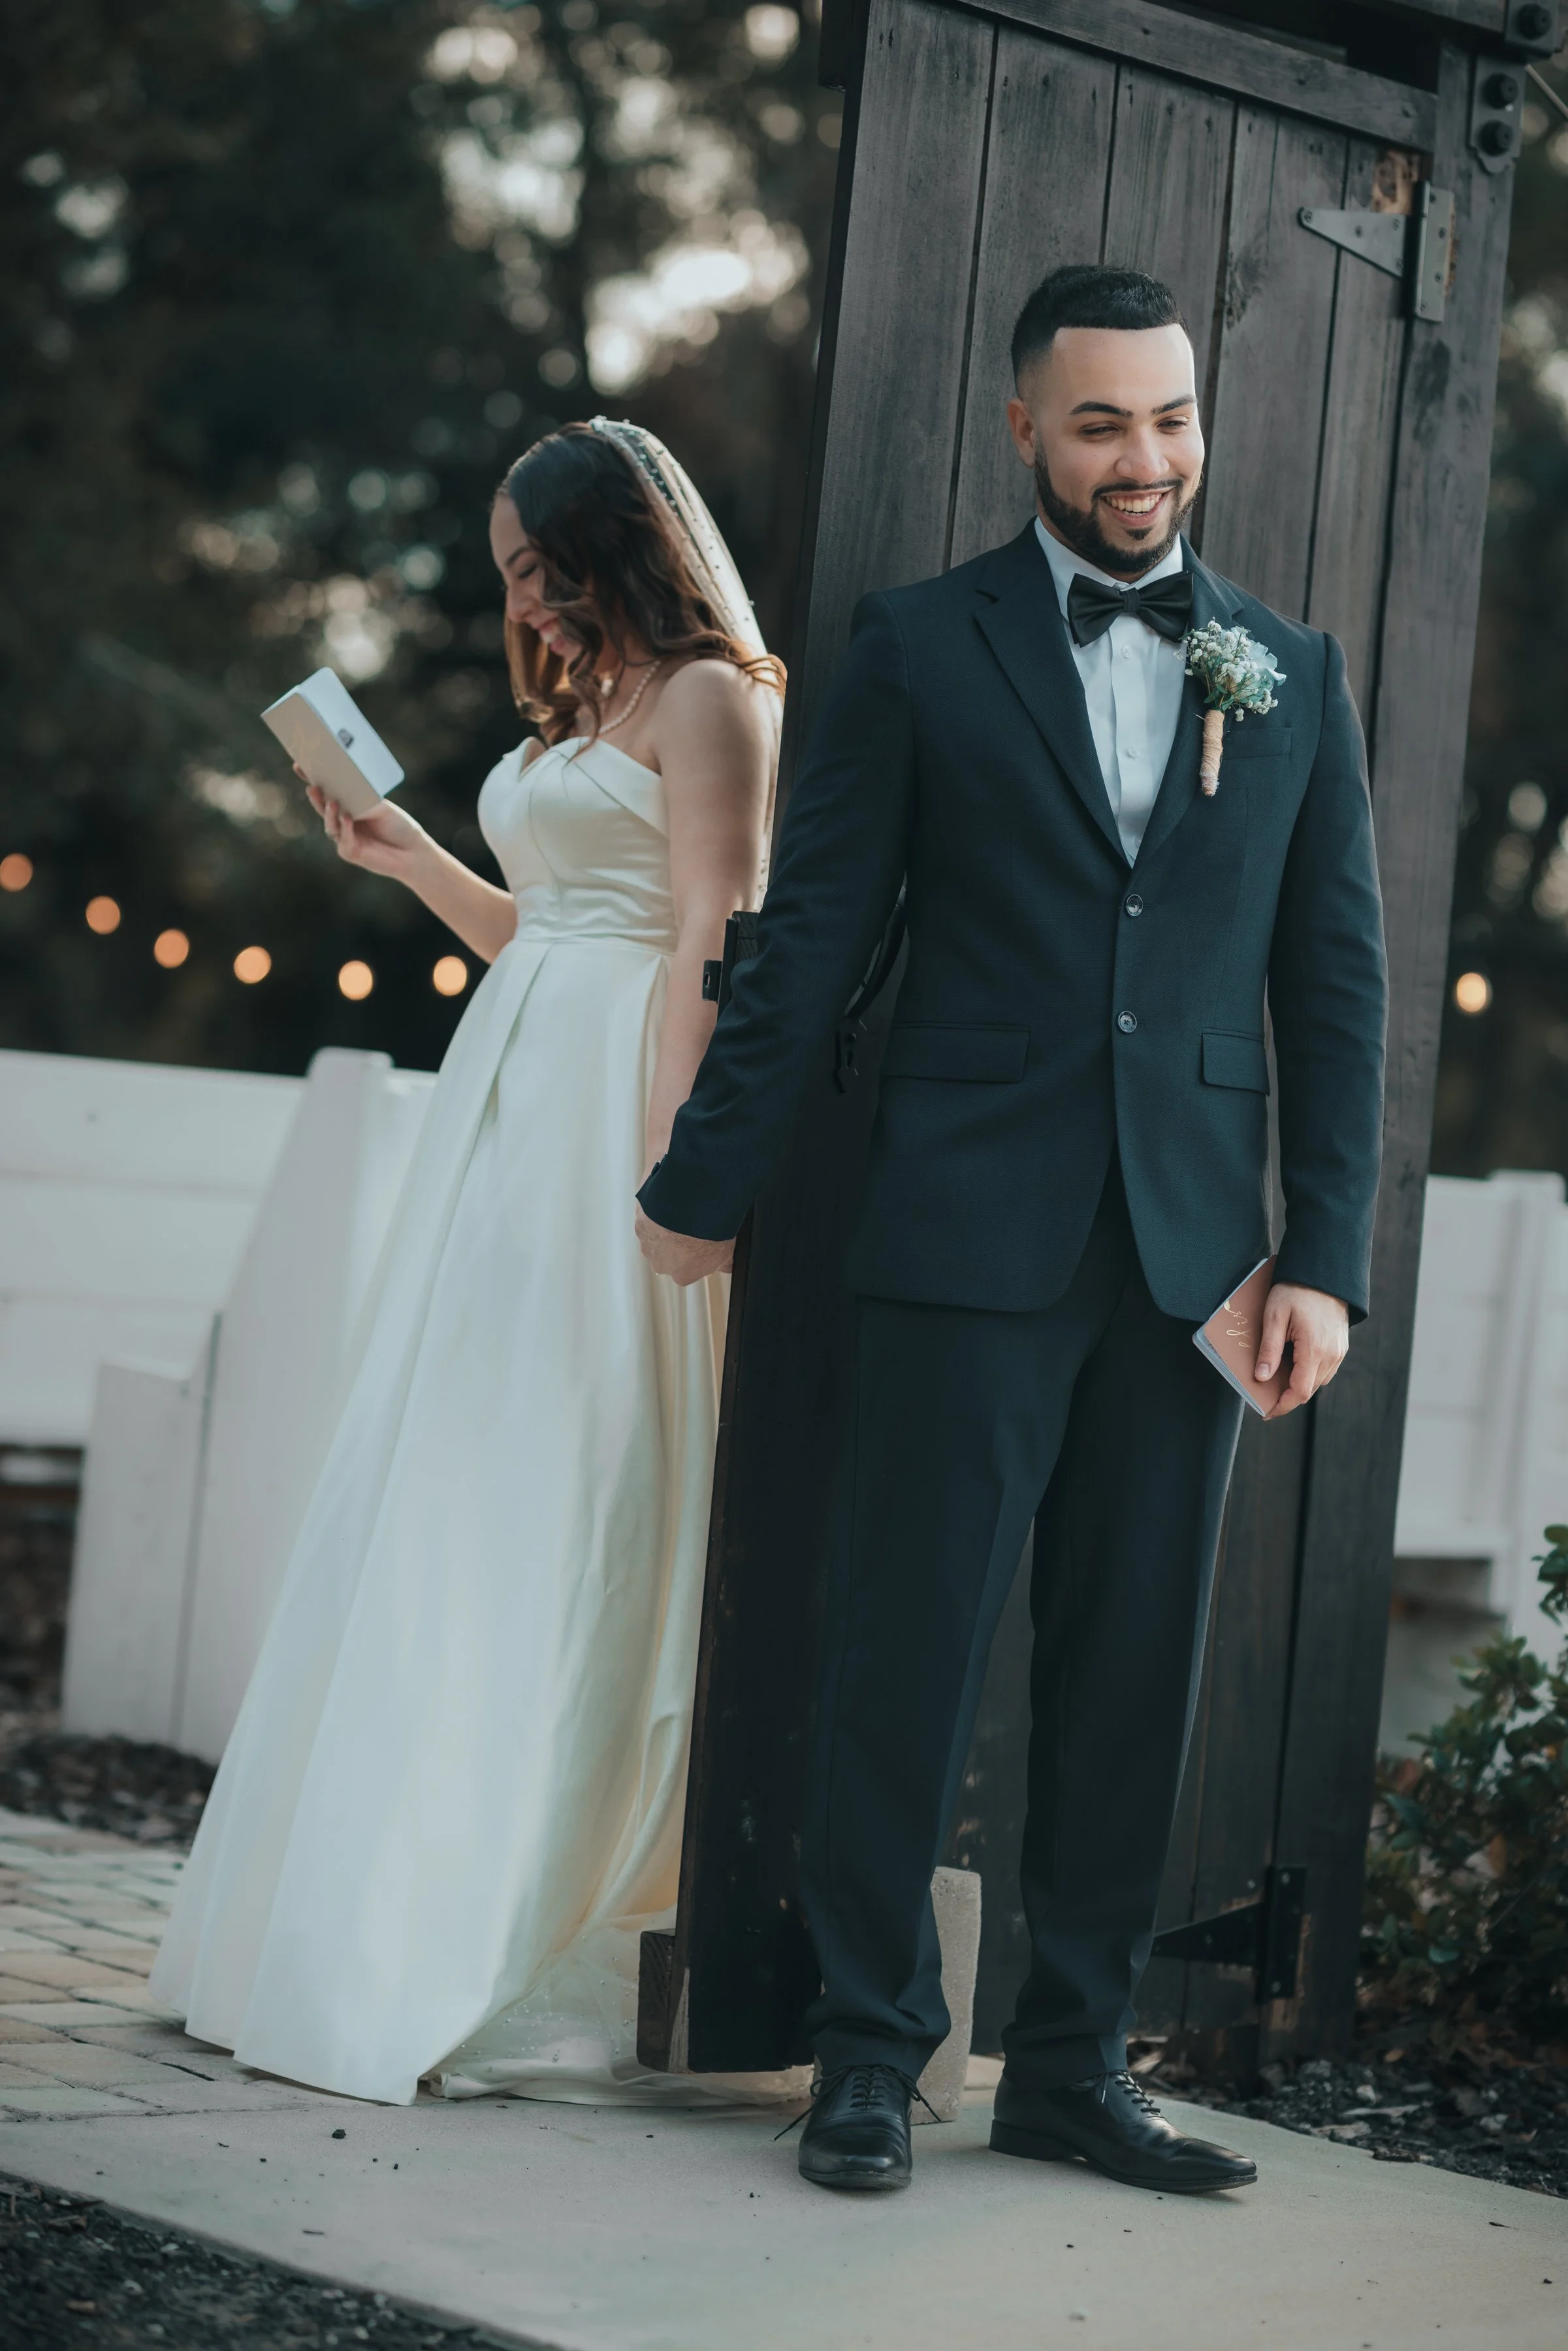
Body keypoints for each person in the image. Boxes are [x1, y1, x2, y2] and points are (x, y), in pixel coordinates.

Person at [636, 266, 1388, 2192]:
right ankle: (873, 2053)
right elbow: (810, 941)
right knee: (905, 1656)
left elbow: (1340, 990)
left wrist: (1326, 1260)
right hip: (963, 1231)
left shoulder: (1290, 667)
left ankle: (1072, 2067)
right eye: (1101, 424)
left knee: (1131, 1675)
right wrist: (704, 1188)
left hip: (1198, 1266)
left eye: (1170, 419)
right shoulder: (913, 647)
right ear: (1024, 432)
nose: (1146, 462)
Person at [150, 419, 805, 2112]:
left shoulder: (716, 696)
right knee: (448, 1478)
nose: (524, 603)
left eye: (541, 570)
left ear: (617, 550)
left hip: (618, 1109)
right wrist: (410, 858)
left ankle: (516, 1907)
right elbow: (556, 929)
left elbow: (712, 944)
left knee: (579, 1476)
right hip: (506, 1110)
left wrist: (680, 1171)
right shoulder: (587, 708)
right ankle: (350, 1901)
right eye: (512, 577)